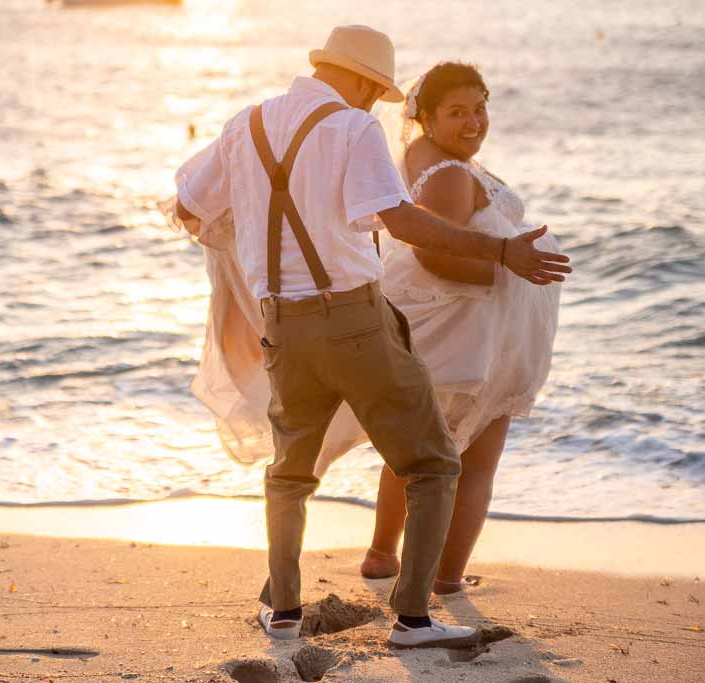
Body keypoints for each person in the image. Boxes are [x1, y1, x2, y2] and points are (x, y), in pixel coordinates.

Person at [166, 25, 570, 648]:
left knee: (290, 474)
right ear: (358, 80)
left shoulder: (243, 124)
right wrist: (503, 250)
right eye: (374, 91)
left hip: (283, 325)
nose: (372, 104)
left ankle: (283, 615)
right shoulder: (353, 129)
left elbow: (189, 209)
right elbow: (403, 221)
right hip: (352, 319)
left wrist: (259, 246)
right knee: (433, 462)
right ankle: (412, 619)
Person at [359, 62, 563, 593]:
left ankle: (383, 556)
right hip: (467, 337)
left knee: (414, 455)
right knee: (472, 464)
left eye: (480, 107)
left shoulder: (432, 158)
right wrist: (510, 268)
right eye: (457, 112)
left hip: (459, 332)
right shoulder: (448, 173)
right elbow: (436, 255)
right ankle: (446, 578)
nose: (474, 122)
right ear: (424, 116)